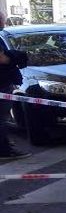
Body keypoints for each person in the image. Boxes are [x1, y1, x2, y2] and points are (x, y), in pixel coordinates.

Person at [0, 12, 30, 160]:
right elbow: (2, 59)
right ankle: (4, 151)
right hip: (2, 84)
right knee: (1, 118)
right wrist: (15, 56)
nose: (4, 24)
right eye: (2, 21)